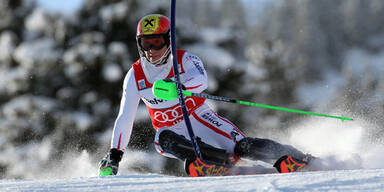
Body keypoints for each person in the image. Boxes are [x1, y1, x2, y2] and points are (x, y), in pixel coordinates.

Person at [99, 14, 312, 177]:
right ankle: (212, 162)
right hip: (170, 130)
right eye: (146, 43)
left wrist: (177, 84)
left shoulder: (184, 60)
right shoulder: (135, 76)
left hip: (200, 118)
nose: (152, 50)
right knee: (162, 138)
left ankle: (298, 158)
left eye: (157, 42)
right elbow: (125, 117)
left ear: (168, 40)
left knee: (243, 147)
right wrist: (115, 155)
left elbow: (201, 80)